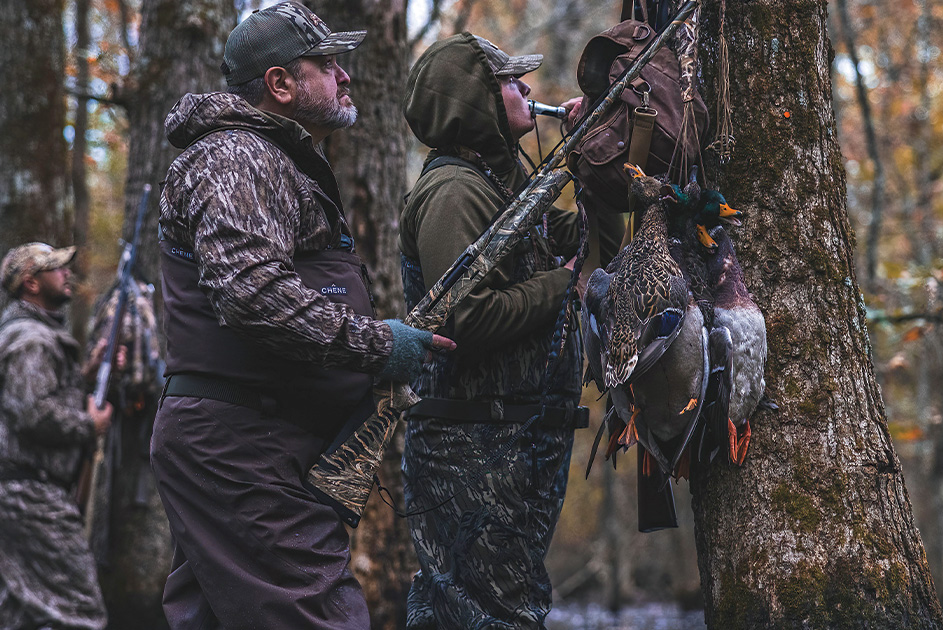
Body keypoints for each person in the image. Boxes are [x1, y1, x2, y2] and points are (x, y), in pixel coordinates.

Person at [150, 3, 453, 628]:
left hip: (247, 441)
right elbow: (250, 291)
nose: (346, 78)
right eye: (328, 65)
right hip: (241, 445)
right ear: (280, 84)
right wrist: (378, 345)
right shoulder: (236, 156)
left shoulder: (269, 158)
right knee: (318, 617)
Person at [399, 34, 624, 629]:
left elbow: (597, 247)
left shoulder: (504, 186)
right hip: (473, 450)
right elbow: (462, 320)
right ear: (473, 99)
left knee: (490, 609)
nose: (526, 89)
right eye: (507, 81)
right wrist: (563, 285)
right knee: (482, 613)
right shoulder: (455, 191)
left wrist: (594, 157)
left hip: (512, 445)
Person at [0, 242, 114, 630]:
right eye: (56, 269)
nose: (67, 274)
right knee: (80, 611)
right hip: (32, 497)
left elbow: (35, 394)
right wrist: (90, 424)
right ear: (30, 283)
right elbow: (32, 412)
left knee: (22, 613)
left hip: (20, 493)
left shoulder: (29, 335)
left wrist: (85, 373)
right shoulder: (31, 339)